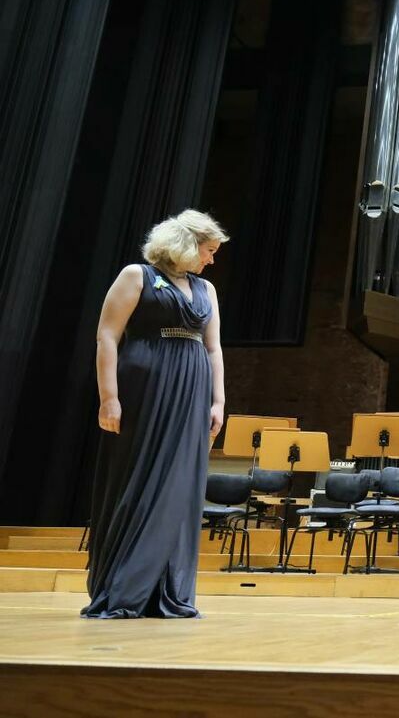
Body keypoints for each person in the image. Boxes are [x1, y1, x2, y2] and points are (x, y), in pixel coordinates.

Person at [82, 209, 228, 619]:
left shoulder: (206, 289)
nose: (211, 259)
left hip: (191, 388)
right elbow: (107, 336)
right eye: (209, 250)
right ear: (186, 242)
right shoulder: (137, 276)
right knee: (138, 476)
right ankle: (125, 587)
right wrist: (108, 397)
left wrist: (218, 401)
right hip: (144, 385)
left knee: (180, 486)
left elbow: (213, 348)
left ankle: (166, 588)